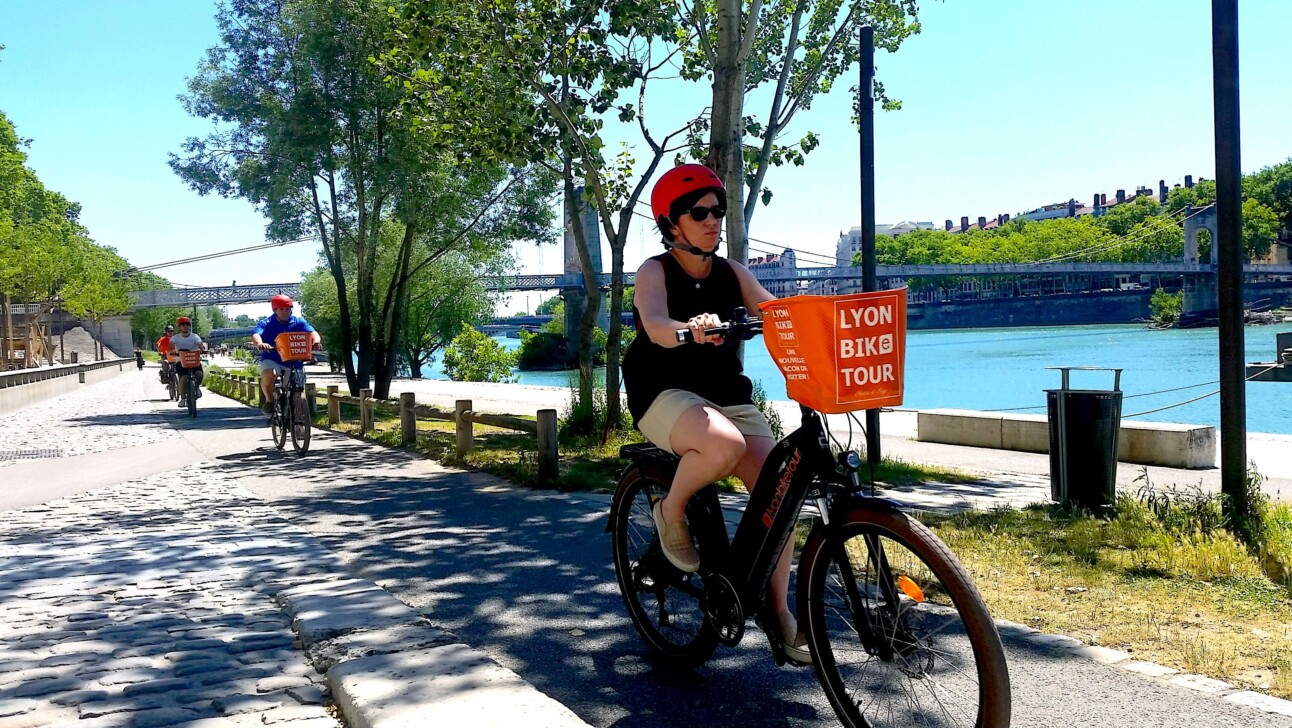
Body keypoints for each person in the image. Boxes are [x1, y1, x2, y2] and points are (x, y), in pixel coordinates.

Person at [621, 163, 808, 664]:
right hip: (663, 391)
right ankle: (671, 508)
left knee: (781, 490)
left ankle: (778, 613)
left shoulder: (732, 273)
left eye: (718, 211)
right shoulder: (654, 271)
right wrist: (689, 327)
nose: (713, 220)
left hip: (726, 392)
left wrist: (825, 316)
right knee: (723, 445)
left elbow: (779, 313)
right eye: (698, 212)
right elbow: (656, 325)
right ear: (671, 223)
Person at [251, 295, 321, 415]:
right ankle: (269, 400)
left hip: (294, 361)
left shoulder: (298, 322)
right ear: (275, 310)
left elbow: (313, 332)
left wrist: (316, 341)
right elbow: (256, 335)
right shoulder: (266, 323)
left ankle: (298, 416)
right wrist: (260, 344)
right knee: (270, 373)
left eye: (287, 309)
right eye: (281, 309)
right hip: (272, 359)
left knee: (297, 387)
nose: (285, 312)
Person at [168, 317, 206, 408]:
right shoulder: (175, 337)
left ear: (189, 326)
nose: (185, 327)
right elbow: (171, 345)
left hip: (193, 360)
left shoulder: (194, 336)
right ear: (179, 327)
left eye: (187, 325)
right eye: (183, 325)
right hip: (181, 361)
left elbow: (200, 344)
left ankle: (196, 387)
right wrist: (172, 351)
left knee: (199, 374)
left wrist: (202, 349)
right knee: (183, 377)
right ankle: (183, 399)